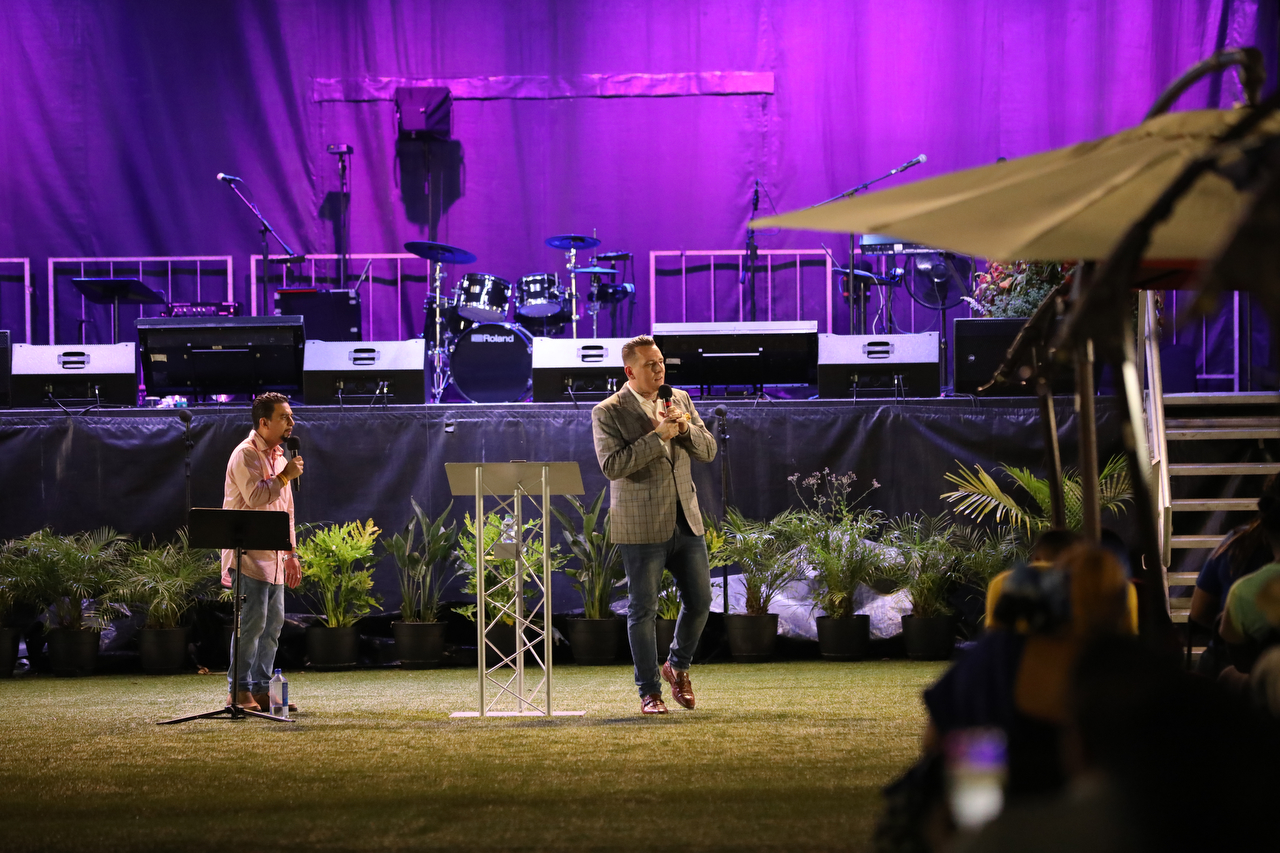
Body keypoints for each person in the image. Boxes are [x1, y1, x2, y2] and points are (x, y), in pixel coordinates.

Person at [591, 335, 717, 715]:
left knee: (701, 601)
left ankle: (676, 666)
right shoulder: (608, 411)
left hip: (686, 519)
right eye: (650, 364)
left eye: (660, 361)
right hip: (641, 526)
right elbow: (612, 466)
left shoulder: (679, 399)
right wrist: (657, 437)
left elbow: (708, 450)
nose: (659, 369)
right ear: (630, 371)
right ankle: (650, 692)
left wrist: (685, 430)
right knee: (642, 610)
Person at [222, 392, 304, 711]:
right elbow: (255, 498)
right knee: (251, 625)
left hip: (275, 558)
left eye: (290, 416)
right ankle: (238, 690)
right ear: (264, 422)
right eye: (284, 417)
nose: (291, 422)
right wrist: (285, 477)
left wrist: (291, 554)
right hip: (248, 557)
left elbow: (288, 512)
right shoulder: (245, 454)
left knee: (273, 626)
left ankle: (260, 689)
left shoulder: (281, 457)